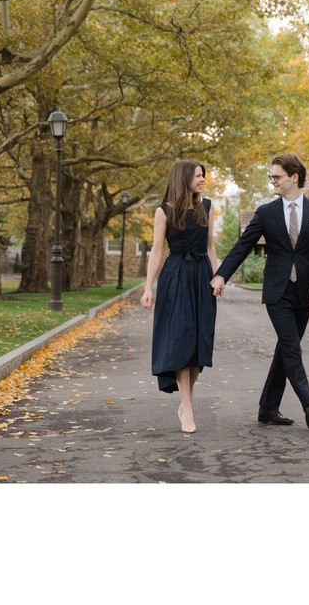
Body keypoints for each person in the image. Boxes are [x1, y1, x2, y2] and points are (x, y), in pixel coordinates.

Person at [211, 153, 309, 428]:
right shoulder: (266, 212)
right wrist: (221, 275)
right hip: (277, 292)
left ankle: (268, 408)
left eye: (277, 177)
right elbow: (242, 246)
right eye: (271, 177)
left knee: (286, 349)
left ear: (294, 177)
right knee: (291, 348)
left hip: (307, 292)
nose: (272, 182)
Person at [141, 160, 218, 434]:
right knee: (179, 339)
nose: (202, 180)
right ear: (184, 177)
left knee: (199, 340)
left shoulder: (207, 208)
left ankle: (187, 398)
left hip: (201, 277)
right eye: (198, 175)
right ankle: (186, 405)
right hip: (175, 277)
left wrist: (217, 278)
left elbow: (210, 248)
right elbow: (157, 251)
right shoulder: (164, 212)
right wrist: (148, 287)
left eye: (203, 176)